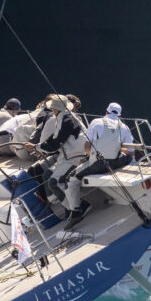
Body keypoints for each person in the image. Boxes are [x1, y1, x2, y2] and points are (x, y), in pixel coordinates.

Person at [24, 95, 89, 228]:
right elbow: (56, 140)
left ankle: (77, 210)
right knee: (50, 177)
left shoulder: (65, 119)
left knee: (54, 182)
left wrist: (35, 147)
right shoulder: (66, 117)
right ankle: (77, 208)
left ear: (55, 108)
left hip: (76, 157)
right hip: (70, 156)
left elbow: (55, 143)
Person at [73, 102, 135, 182]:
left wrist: (92, 158)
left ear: (107, 112)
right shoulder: (125, 127)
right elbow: (131, 152)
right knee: (129, 158)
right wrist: (118, 149)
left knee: (72, 178)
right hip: (115, 164)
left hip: (97, 165)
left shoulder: (96, 122)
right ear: (119, 115)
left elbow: (87, 147)